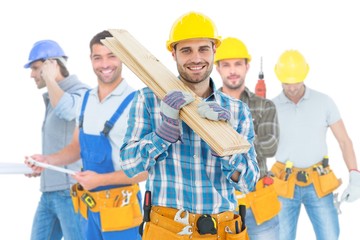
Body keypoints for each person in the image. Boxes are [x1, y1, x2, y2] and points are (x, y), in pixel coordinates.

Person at [120, 11, 259, 240]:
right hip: (167, 229)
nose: (196, 58)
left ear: (215, 50)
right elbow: (129, 165)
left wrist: (225, 143)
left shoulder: (236, 111)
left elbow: (248, 183)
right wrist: (162, 135)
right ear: (173, 53)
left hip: (221, 230)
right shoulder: (147, 100)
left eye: (203, 49)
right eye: (186, 50)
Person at [26, 30, 148, 240]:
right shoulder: (86, 99)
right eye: (98, 57)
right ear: (90, 59)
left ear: (123, 59)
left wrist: (100, 180)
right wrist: (47, 160)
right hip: (89, 209)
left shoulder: (137, 103)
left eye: (112, 56)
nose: (104, 64)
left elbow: (145, 171)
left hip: (121, 212)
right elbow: (76, 147)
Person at [271, 49, 360, 240]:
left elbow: (344, 141)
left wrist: (355, 175)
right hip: (284, 182)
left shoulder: (324, 102)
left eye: (297, 82)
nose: (293, 88)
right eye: (287, 83)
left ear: (305, 75)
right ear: (279, 77)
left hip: (318, 181)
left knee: (329, 236)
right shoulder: (270, 107)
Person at [24, 39, 90, 240]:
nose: (32, 74)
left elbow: (68, 110)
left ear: (52, 65)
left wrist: (51, 79)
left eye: (36, 68)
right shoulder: (53, 97)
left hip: (70, 192)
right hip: (49, 192)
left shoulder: (82, 92)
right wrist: (41, 165)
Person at [215, 37, 280, 240]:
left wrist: (225, 143)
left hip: (258, 203)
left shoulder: (265, 106)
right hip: (219, 205)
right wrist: (249, 140)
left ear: (247, 66)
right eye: (226, 65)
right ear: (217, 68)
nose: (232, 70)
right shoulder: (204, 107)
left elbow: (270, 146)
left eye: (237, 64)